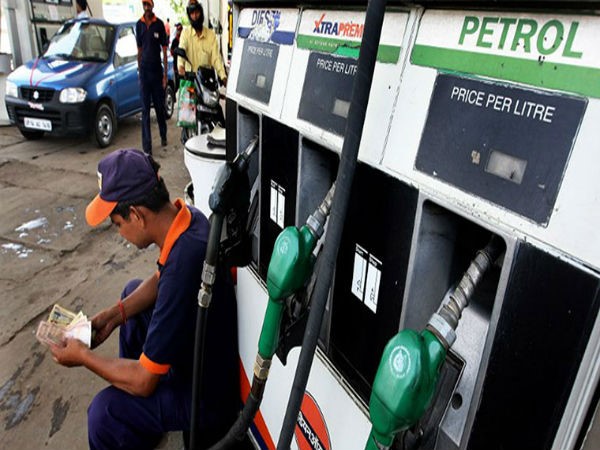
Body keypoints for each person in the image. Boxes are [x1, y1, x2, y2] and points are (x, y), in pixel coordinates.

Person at [49, 149, 240, 449]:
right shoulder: (188, 218)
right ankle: (143, 429)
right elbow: (160, 279)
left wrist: (83, 357)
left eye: (117, 224)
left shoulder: (183, 265)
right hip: (199, 354)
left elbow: (143, 381)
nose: (120, 233)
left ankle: (136, 417)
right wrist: (113, 316)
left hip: (205, 398)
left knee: (104, 414)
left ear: (137, 216)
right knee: (131, 293)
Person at [136, 0, 168, 155]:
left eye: (148, 5)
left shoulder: (159, 25)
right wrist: (139, 72)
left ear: (152, 6)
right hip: (144, 72)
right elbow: (139, 50)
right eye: (144, 5)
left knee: (159, 107)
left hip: (156, 72)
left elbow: (165, 51)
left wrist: (165, 76)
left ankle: (163, 134)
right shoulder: (139, 25)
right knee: (145, 110)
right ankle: (147, 146)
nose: (146, 8)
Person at [177, 0, 227, 86]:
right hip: (189, 83)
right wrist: (181, 67)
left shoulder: (211, 35)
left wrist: (223, 76)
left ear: (201, 13)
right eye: (192, 13)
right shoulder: (185, 33)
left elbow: (216, 58)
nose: (195, 16)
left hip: (206, 84)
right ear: (189, 15)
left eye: (197, 12)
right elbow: (181, 51)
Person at [170, 22, 183, 89]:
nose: (178, 31)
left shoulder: (183, 40)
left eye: (179, 30)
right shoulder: (174, 41)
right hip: (176, 65)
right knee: (177, 83)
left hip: (184, 66)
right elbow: (171, 52)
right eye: (178, 30)